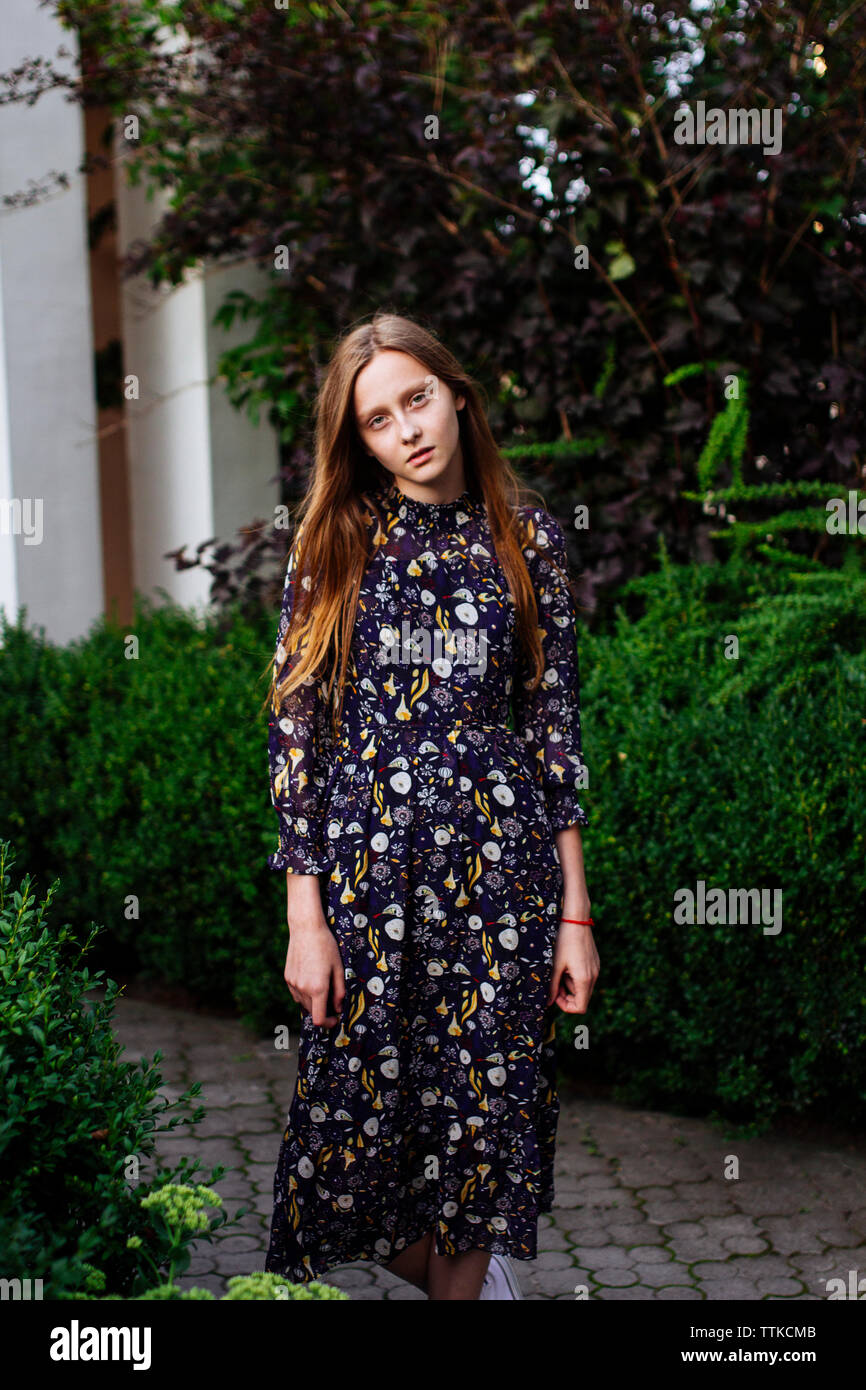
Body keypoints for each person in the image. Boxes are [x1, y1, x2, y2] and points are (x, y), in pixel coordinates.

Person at [262, 311, 598, 1301]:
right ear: (356, 438)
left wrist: (573, 914)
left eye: (415, 398)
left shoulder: (523, 531)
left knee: (476, 1142)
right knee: (342, 1160)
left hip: (502, 880)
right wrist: (303, 917)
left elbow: (552, 726)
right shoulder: (336, 538)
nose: (405, 428)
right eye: (376, 418)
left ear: (455, 393)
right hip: (369, 883)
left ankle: (470, 1286)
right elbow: (297, 734)